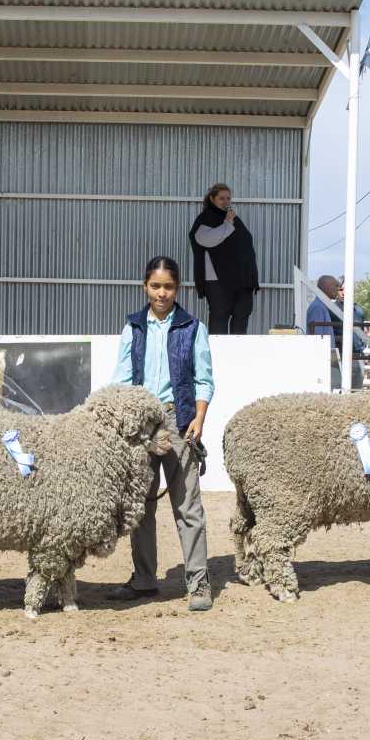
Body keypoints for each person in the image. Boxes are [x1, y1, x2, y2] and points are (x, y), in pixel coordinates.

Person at [106, 256, 215, 612]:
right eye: (156, 286)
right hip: (141, 425)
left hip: (180, 422)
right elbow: (121, 379)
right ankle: (144, 579)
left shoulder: (192, 327)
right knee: (141, 506)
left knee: (188, 506)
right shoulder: (133, 327)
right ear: (145, 287)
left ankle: (198, 583)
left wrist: (198, 418)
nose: (162, 293)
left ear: (177, 289)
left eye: (168, 287)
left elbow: (204, 378)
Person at [188, 183, 260, 334]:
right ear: (212, 199)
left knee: (241, 317)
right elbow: (206, 240)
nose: (226, 202)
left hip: (242, 280)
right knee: (220, 318)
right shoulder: (205, 218)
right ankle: (218, 355)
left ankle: (237, 355)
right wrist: (227, 224)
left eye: (228, 198)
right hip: (218, 281)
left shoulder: (234, 219)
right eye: (222, 198)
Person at [306, 274, 341, 387]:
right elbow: (318, 337)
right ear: (327, 287)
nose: (338, 289)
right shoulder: (318, 307)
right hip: (323, 357)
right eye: (336, 286)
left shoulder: (322, 306)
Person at [335, 277, 367, 390]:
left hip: (357, 356)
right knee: (339, 390)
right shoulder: (332, 309)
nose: (343, 293)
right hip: (340, 356)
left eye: (346, 289)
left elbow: (362, 331)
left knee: (357, 390)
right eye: (340, 290)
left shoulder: (359, 310)